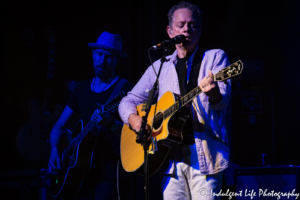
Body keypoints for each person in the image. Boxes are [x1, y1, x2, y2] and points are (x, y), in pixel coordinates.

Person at [118, 1, 231, 199]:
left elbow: (222, 102)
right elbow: (127, 101)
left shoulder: (214, 58)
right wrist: (134, 120)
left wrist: (212, 93)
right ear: (170, 32)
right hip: (168, 159)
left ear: (200, 31)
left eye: (192, 25)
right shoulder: (160, 66)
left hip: (205, 154)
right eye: (181, 25)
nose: (186, 29)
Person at [48, 31, 133, 199]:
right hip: (78, 173)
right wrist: (54, 151)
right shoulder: (81, 89)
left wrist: (110, 123)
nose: (102, 61)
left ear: (117, 60)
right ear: (93, 55)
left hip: (110, 172)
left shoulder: (126, 90)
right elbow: (59, 126)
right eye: (99, 54)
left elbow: (134, 133)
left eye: (109, 56)